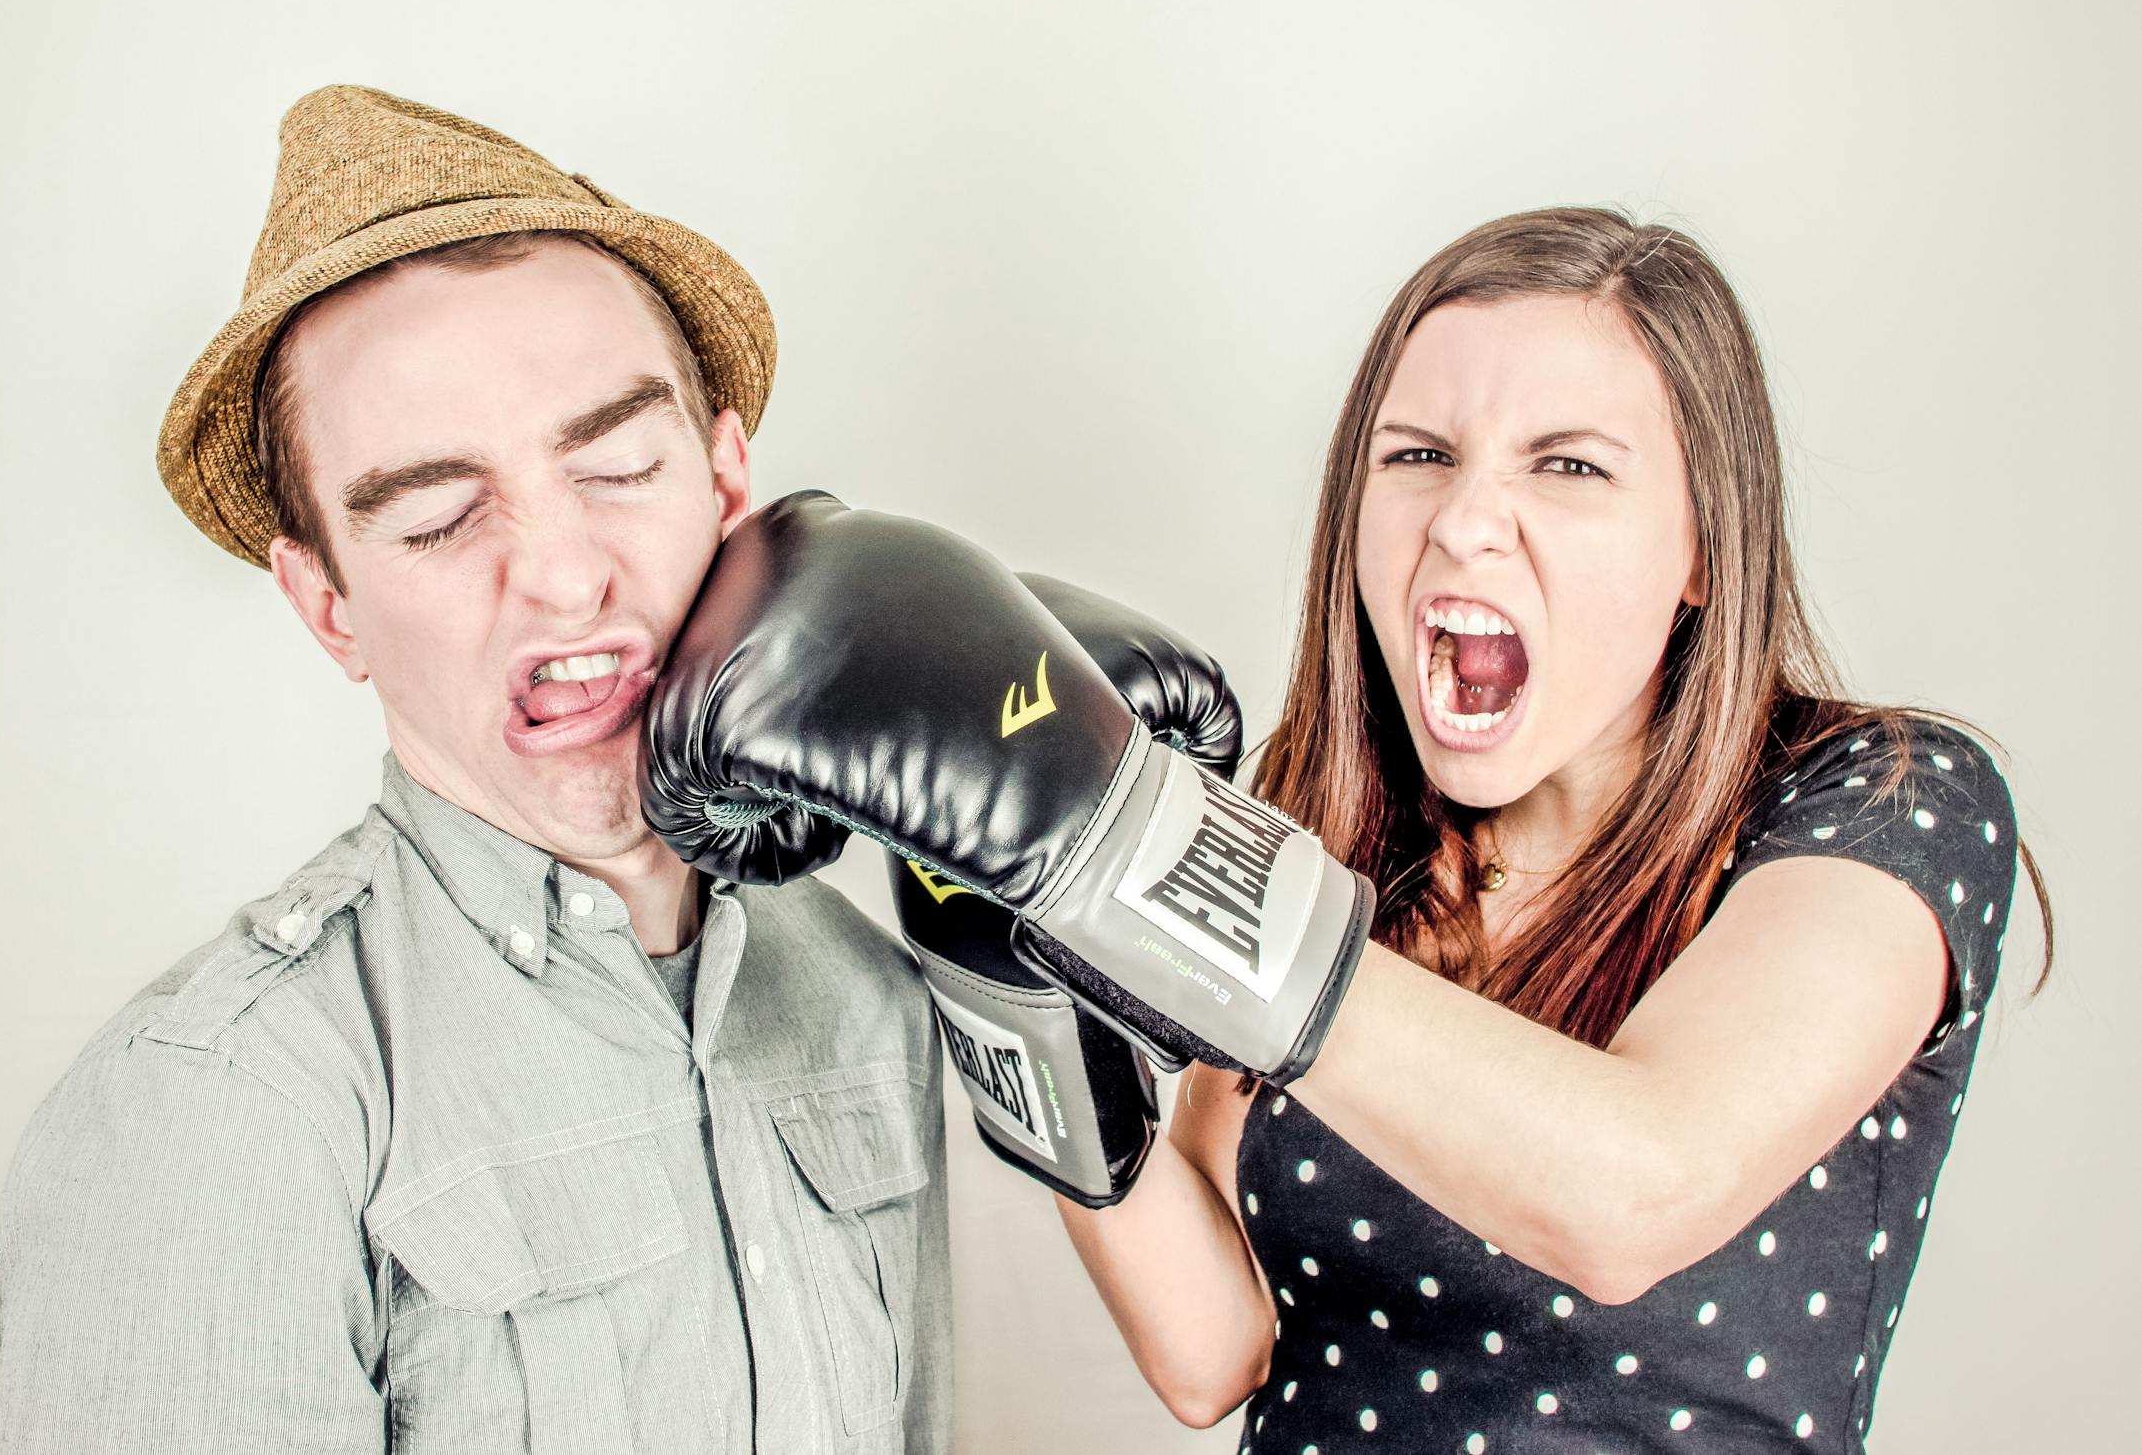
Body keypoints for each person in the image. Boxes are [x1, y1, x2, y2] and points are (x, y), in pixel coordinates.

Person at [638, 208, 2051, 1453]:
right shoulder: (1327, 837)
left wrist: (1127, 850)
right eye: (1418, 454)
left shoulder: (1879, 800)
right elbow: (1213, 1354)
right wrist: (997, 951)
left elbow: (1632, 1194)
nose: (1462, 523)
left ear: (1701, 547)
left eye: (1566, 467)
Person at [0, 85, 949, 1455]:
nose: (560, 575)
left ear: (728, 484)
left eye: (616, 465)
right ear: (328, 608)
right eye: (437, 518)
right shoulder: (219, 1108)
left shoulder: (862, 991)